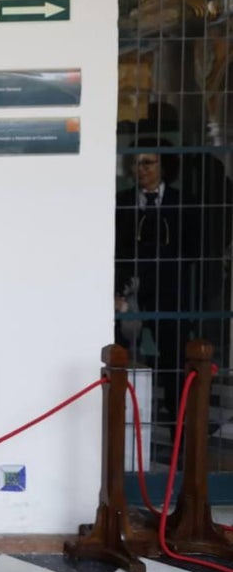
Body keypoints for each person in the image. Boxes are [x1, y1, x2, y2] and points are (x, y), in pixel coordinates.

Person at [114, 139, 196, 426]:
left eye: (148, 162)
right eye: (136, 163)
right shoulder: (121, 202)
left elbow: (193, 252)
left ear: (165, 165)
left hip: (170, 295)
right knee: (119, 360)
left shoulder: (183, 202)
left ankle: (179, 438)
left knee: (174, 366)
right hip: (128, 293)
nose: (141, 169)